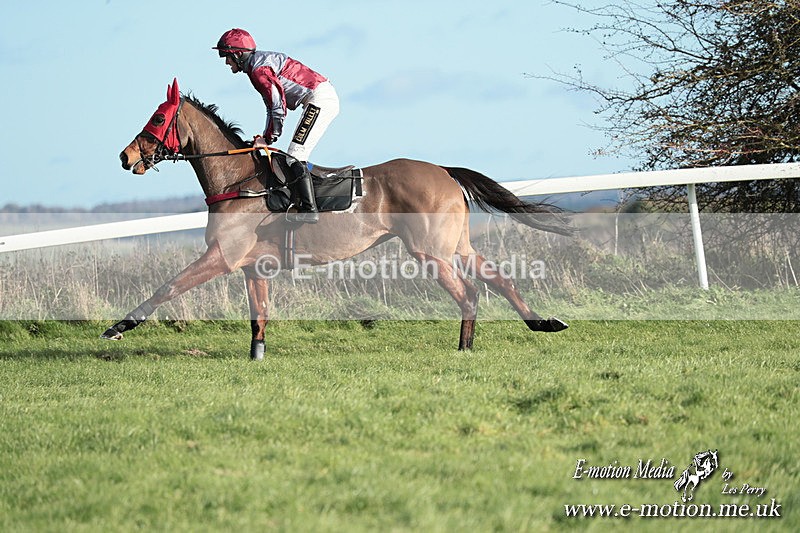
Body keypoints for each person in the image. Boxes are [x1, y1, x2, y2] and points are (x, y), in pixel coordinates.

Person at [213, 28, 340, 223]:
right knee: (293, 155)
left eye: (226, 56)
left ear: (238, 54)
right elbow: (271, 107)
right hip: (318, 97)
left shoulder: (258, 70)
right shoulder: (256, 66)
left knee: (296, 155)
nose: (225, 61)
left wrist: (269, 137)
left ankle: (309, 209)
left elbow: (278, 106)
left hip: (320, 99)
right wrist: (267, 136)